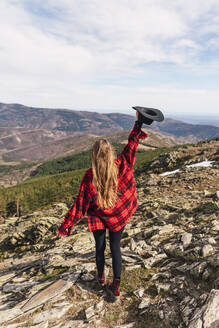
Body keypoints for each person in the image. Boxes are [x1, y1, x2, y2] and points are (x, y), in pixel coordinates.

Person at [57, 111, 148, 300]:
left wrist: (66, 225)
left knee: (99, 247)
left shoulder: (90, 178)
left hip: (99, 216)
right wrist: (138, 123)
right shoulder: (121, 164)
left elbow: (79, 205)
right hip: (119, 215)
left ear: (94, 156)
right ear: (110, 154)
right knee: (115, 248)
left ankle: (100, 278)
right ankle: (115, 285)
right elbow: (132, 144)